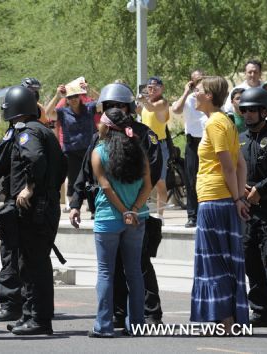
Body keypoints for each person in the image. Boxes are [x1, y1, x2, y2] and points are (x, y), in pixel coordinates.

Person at [71, 82, 164, 327]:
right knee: (117, 269)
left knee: (140, 265)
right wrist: (74, 203)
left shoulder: (144, 136)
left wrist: (133, 206)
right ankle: (118, 314)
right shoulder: (98, 141)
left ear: (129, 107)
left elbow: (151, 177)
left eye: (118, 106)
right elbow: (85, 174)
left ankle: (149, 313)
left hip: (132, 211)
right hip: (120, 212)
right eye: (109, 106)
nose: (114, 110)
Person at [0, 85, 66, 335]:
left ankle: (38, 320)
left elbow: (35, 160)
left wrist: (29, 187)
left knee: (34, 265)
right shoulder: (42, 131)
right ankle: (31, 316)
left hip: (35, 209)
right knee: (31, 263)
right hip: (43, 207)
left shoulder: (28, 132)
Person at [81, 108, 151, 337]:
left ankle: (103, 325)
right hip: (137, 219)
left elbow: (106, 186)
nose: (97, 126)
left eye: (100, 123)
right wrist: (133, 210)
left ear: (108, 127)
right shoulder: (139, 151)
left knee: (105, 273)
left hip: (108, 219)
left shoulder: (98, 152)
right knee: (134, 272)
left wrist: (123, 212)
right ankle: (137, 324)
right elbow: (147, 185)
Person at [191, 76, 249, 332]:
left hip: (214, 199)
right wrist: (238, 197)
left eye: (199, 90)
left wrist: (237, 198)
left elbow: (230, 165)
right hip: (222, 198)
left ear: (210, 96)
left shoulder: (215, 123)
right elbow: (240, 164)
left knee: (213, 261)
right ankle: (228, 317)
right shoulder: (225, 122)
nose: (194, 92)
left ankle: (225, 320)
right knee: (225, 259)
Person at [238, 87, 267, 330]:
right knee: (251, 262)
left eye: (252, 110)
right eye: (243, 109)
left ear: (264, 111)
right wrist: (241, 191)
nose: (247, 114)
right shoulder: (240, 139)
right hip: (247, 211)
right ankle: (260, 311)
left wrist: (260, 190)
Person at [45, 82, 96, 207]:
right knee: (73, 179)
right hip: (71, 151)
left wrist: (90, 90)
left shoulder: (89, 108)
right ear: (66, 99)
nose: (73, 99)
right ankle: (73, 206)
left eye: (75, 96)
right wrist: (57, 95)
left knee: (92, 179)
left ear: (80, 96)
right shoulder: (63, 112)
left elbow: (104, 103)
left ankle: (93, 207)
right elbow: (47, 113)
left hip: (89, 150)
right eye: (70, 97)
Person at [171, 70, 207, 227]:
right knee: (191, 179)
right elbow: (176, 109)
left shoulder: (208, 97)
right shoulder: (188, 99)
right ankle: (192, 215)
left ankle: (205, 214)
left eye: (202, 80)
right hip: (193, 142)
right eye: (196, 81)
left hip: (208, 140)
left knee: (207, 178)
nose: (199, 83)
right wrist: (186, 91)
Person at [137, 76, 170, 220]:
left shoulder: (162, 103)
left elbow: (151, 108)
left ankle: (159, 215)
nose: (152, 90)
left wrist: (142, 100)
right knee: (143, 180)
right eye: (149, 88)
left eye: (156, 88)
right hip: (145, 145)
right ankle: (142, 212)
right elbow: (138, 110)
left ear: (162, 89)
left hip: (159, 145)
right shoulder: (146, 104)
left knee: (160, 182)